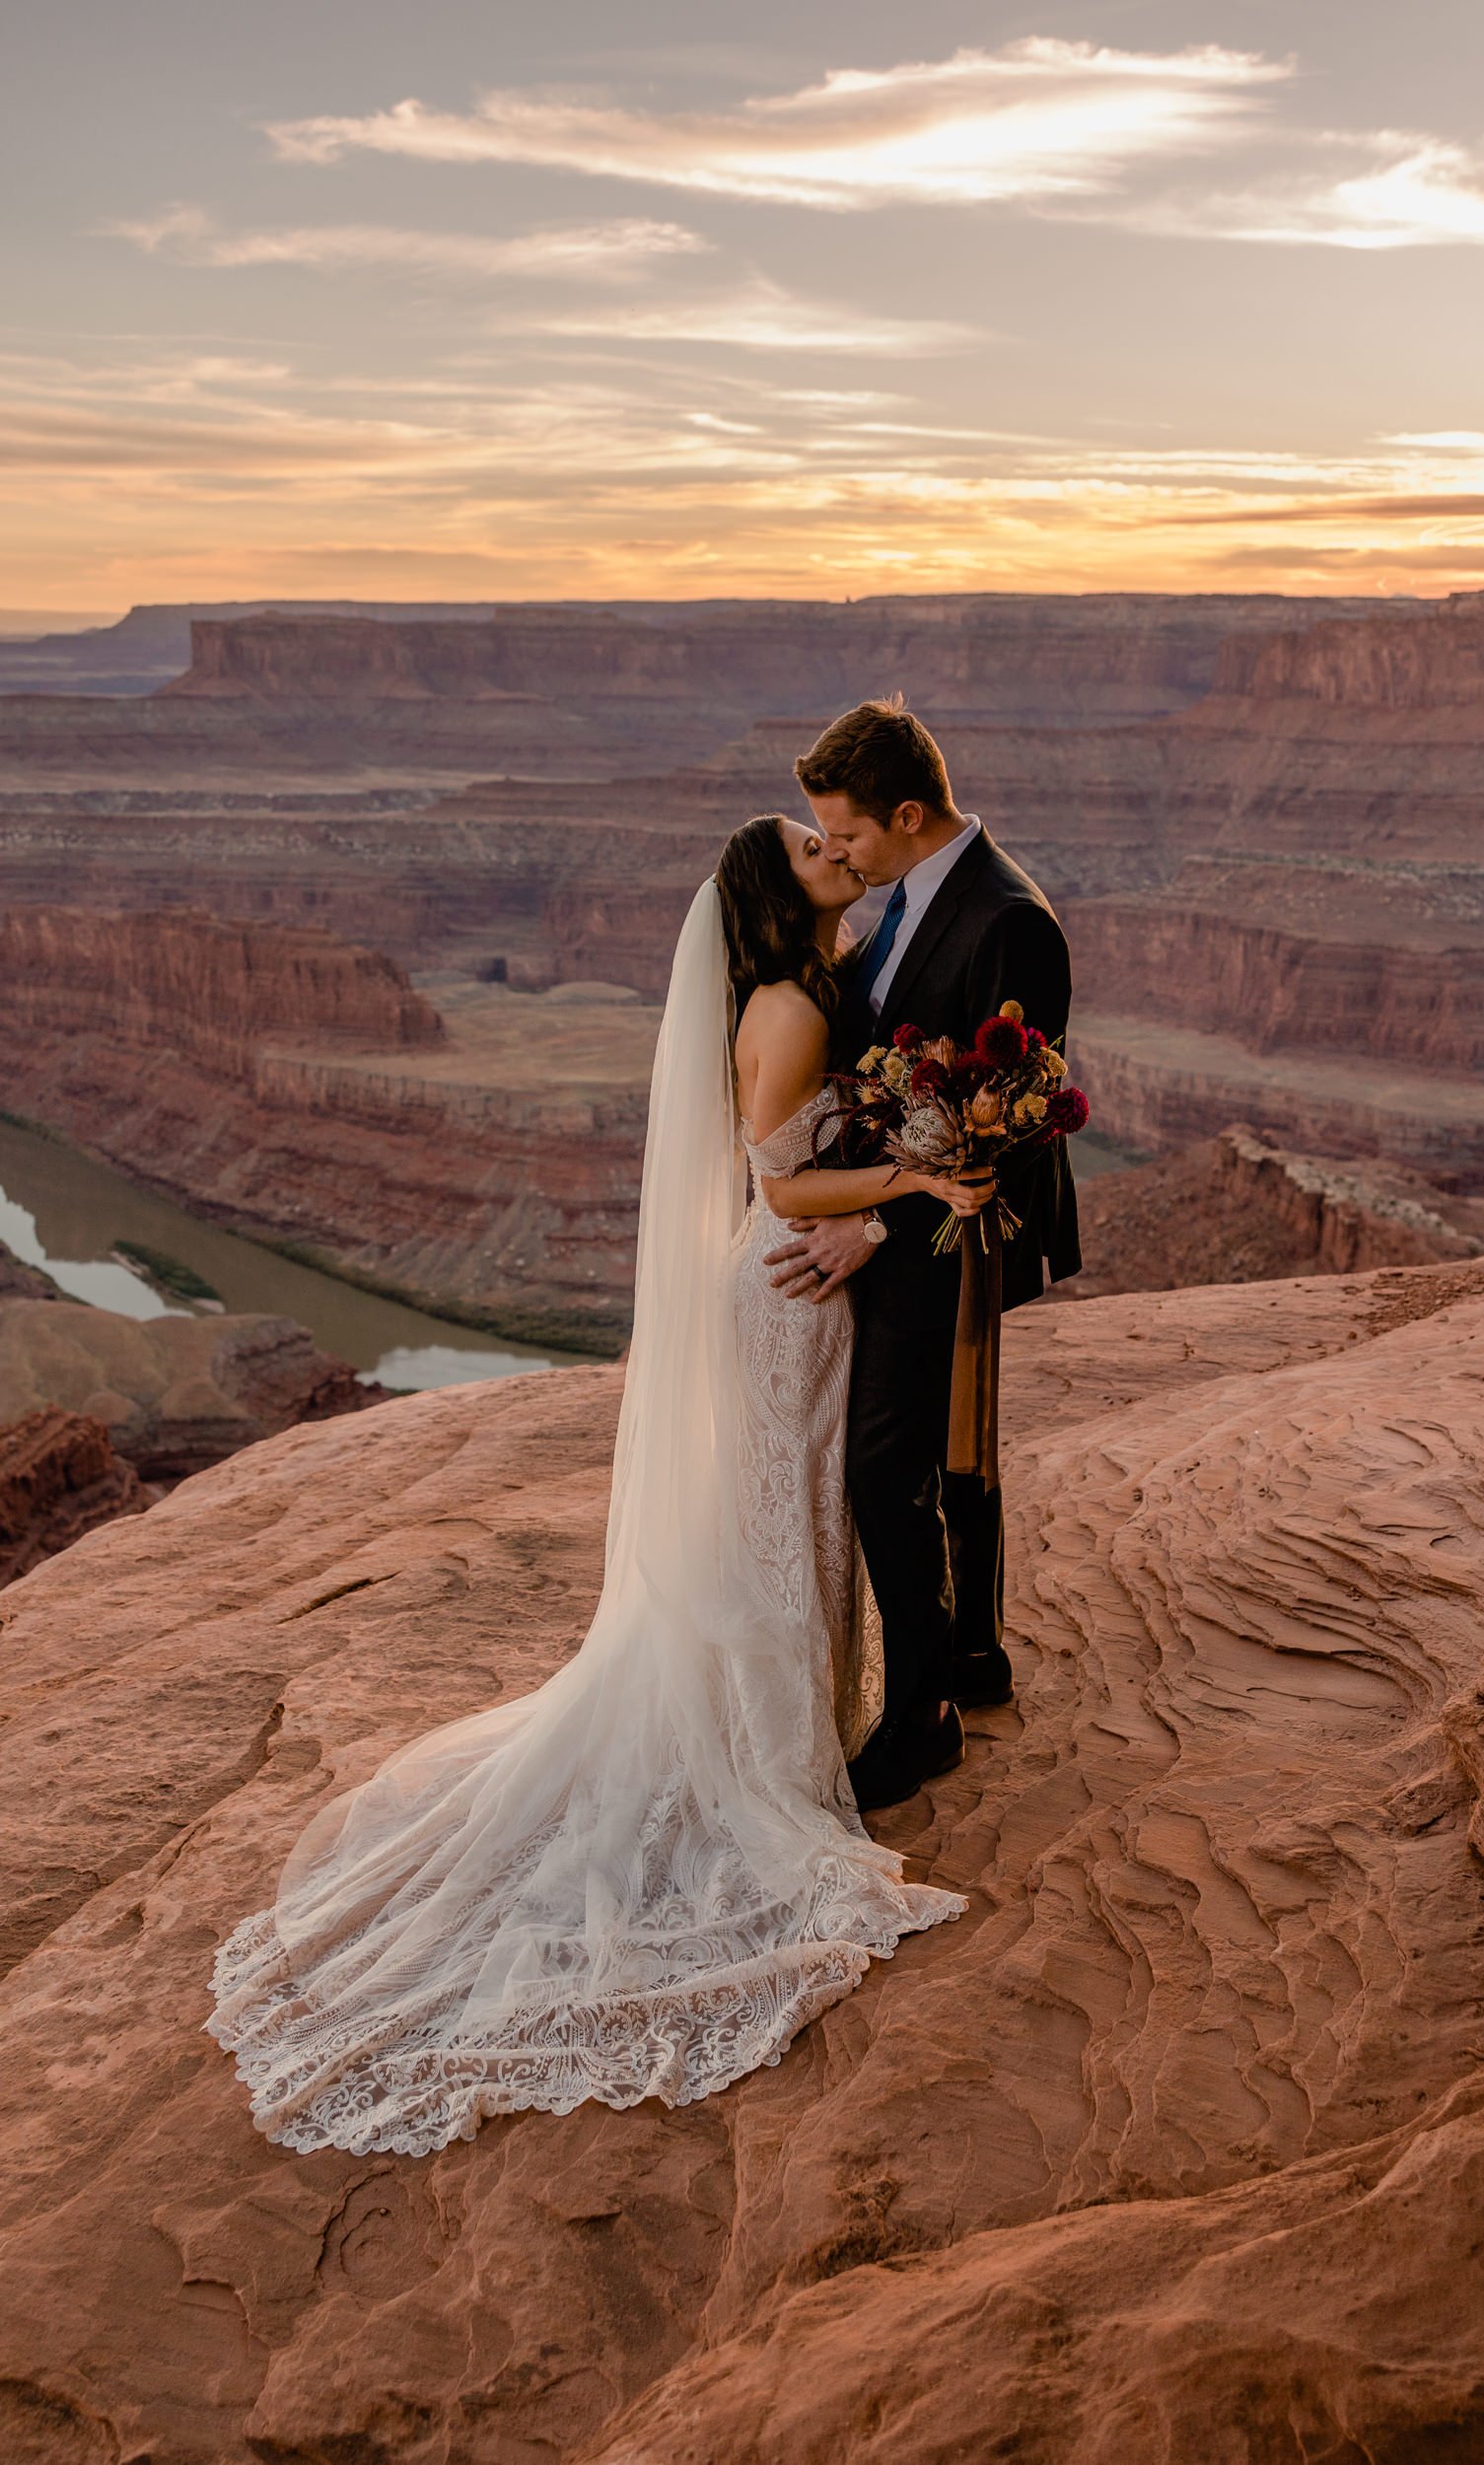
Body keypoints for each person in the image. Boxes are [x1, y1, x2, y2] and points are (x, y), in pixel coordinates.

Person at [205, 811, 978, 2156]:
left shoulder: (804, 984)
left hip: (791, 1293)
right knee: (779, 1520)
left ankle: (781, 1736)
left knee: (781, 1514)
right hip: (789, 1290)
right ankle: (765, 1763)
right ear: (769, 892)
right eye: (806, 845)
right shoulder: (790, 1005)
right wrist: (911, 1177)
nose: (828, 847)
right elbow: (774, 1182)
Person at [768, 699, 1082, 1812]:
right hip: (908, 1210)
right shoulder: (904, 902)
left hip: (950, 1238)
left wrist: (869, 1223)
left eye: (846, 833)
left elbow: (1007, 1124)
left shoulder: (1009, 921)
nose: (839, 854)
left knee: (889, 1470)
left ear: (907, 813)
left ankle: (922, 1717)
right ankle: (967, 1659)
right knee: (932, 1462)